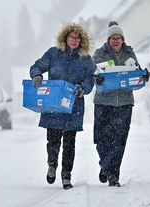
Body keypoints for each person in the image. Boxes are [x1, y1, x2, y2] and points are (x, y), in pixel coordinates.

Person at [29, 23, 95, 190]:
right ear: (65, 38)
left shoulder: (86, 59)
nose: (74, 40)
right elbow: (36, 66)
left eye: (78, 37)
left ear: (82, 40)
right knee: (53, 139)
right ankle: (52, 164)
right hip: (53, 104)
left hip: (74, 105)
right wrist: (37, 75)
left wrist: (83, 88)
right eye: (72, 37)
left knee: (70, 143)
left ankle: (66, 175)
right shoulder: (53, 53)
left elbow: (90, 79)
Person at [92, 21, 148, 187]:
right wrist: (96, 76)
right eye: (112, 38)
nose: (115, 41)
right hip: (103, 103)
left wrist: (143, 76)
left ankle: (113, 176)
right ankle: (105, 163)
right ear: (108, 40)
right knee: (101, 139)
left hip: (124, 104)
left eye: (118, 38)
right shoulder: (100, 54)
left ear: (123, 40)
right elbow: (90, 72)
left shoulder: (129, 54)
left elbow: (136, 75)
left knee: (119, 141)